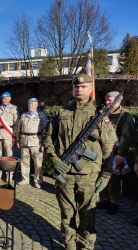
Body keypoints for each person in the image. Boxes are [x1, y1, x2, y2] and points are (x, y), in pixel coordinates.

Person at [44, 74, 117, 249]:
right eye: (76, 86)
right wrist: (53, 160)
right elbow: (47, 139)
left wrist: (106, 176)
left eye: (84, 86)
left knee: (87, 217)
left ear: (90, 89)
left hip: (89, 176)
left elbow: (109, 147)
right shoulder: (61, 113)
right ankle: (69, 246)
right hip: (65, 176)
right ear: (72, 89)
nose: (79, 89)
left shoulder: (98, 116)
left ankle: (85, 247)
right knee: (66, 216)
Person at [97, 91, 135, 214]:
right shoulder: (102, 114)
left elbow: (126, 137)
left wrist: (121, 154)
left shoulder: (125, 116)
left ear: (118, 101)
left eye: (110, 100)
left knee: (114, 178)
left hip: (115, 151)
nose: (107, 102)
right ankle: (105, 199)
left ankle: (114, 202)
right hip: (101, 150)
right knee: (102, 174)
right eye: (106, 100)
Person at [15, 98, 49, 189]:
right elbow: (18, 129)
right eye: (29, 103)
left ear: (37, 105)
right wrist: (17, 140)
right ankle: (25, 179)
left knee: (38, 163)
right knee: (24, 162)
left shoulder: (41, 115)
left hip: (36, 142)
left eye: (33, 104)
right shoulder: (23, 115)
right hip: (24, 141)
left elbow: (46, 131)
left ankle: (38, 181)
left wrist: (44, 144)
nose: (30, 105)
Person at [0, 92, 19, 182]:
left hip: (8, 135)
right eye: (3, 98)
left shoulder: (14, 108)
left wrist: (15, 137)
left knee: (9, 156)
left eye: (6, 98)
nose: (4, 100)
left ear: (10, 98)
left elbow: (17, 124)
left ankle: (9, 175)